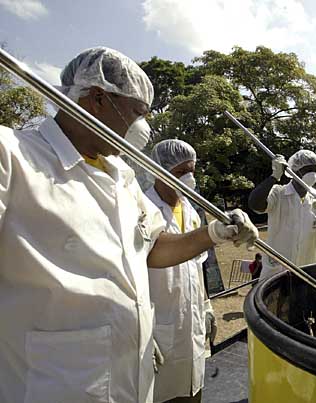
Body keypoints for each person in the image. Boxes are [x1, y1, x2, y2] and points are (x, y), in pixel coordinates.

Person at [0, 47, 258, 403]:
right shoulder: (12, 155)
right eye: (138, 112)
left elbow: (154, 247)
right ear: (98, 99)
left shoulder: (121, 175)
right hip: (57, 384)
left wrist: (213, 233)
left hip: (132, 381)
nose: (142, 128)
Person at [146, 139, 217, 402]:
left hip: (191, 322)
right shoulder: (143, 209)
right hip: (159, 327)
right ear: (158, 171)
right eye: (180, 172)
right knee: (162, 394)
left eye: (191, 171)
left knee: (193, 389)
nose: (189, 179)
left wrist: (207, 307)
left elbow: (197, 266)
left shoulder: (191, 211)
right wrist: (139, 330)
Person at [248, 150, 316, 279]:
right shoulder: (278, 193)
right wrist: (274, 176)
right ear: (294, 171)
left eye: (315, 170)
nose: (312, 174)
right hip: (276, 271)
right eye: (307, 169)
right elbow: (255, 204)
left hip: (306, 272)